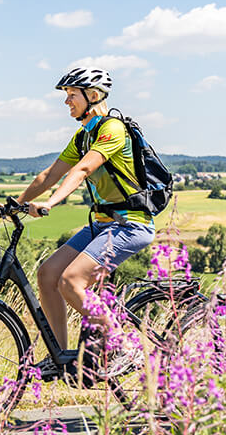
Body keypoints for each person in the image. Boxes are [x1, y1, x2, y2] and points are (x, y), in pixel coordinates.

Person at [10, 67, 155, 370]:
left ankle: (125, 348)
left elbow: (83, 170)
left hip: (130, 224)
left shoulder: (112, 129)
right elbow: (50, 173)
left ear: (92, 95)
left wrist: (50, 202)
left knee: (71, 280)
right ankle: (59, 356)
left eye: (71, 95)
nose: (66, 102)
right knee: (48, 274)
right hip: (102, 224)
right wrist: (16, 203)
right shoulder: (83, 135)